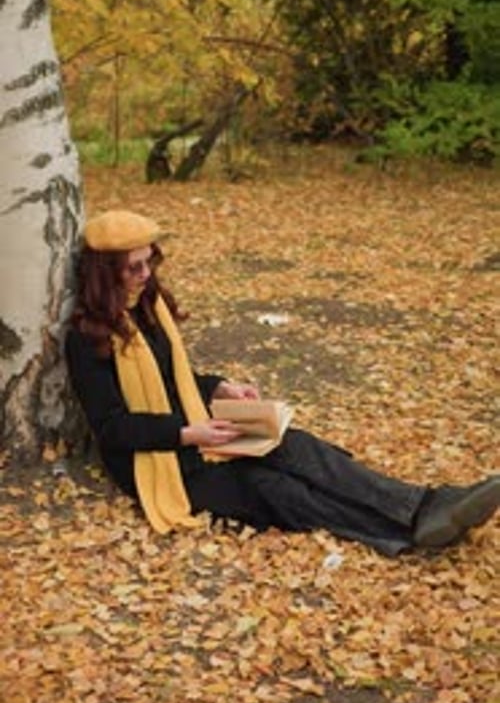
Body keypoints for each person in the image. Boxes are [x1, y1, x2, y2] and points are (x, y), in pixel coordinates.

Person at [65, 209, 500, 557]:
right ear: (105, 272)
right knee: (272, 488)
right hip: (160, 462)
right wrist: (188, 433)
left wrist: (220, 389)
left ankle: (426, 503)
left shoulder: (148, 309)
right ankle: (404, 534)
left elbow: (174, 381)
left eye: (150, 261)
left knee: (297, 446)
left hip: (197, 429)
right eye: (133, 267)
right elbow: (112, 428)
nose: (146, 273)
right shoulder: (87, 338)